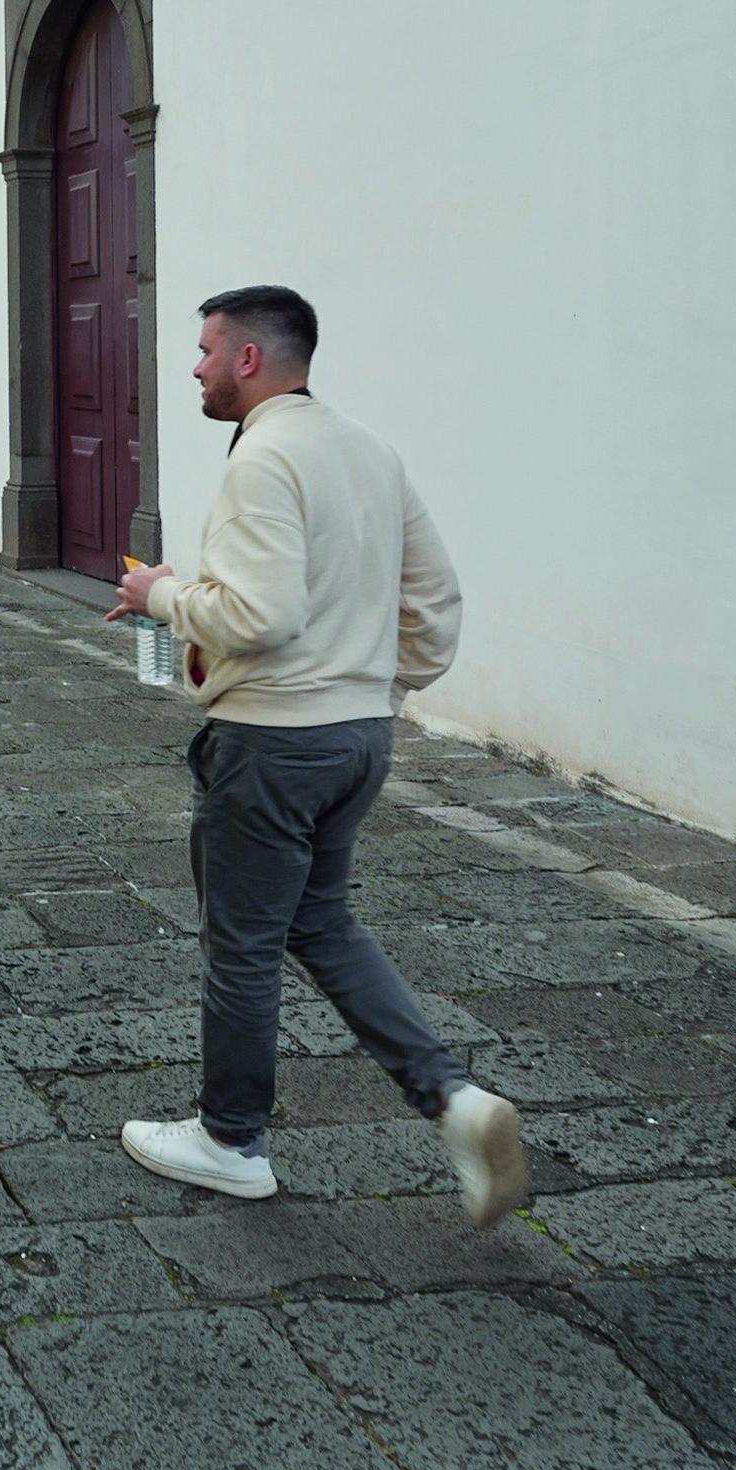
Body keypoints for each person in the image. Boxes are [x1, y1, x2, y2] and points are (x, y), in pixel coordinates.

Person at [111, 284, 527, 1227]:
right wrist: (375, 691)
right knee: (321, 926)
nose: (196, 368)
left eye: (207, 351)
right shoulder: (367, 449)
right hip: (355, 739)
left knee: (243, 944)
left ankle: (230, 1140)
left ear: (249, 359)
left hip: (272, 741)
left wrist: (164, 598)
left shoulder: (262, 458)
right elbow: (434, 599)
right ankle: (455, 1101)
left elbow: (259, 615)